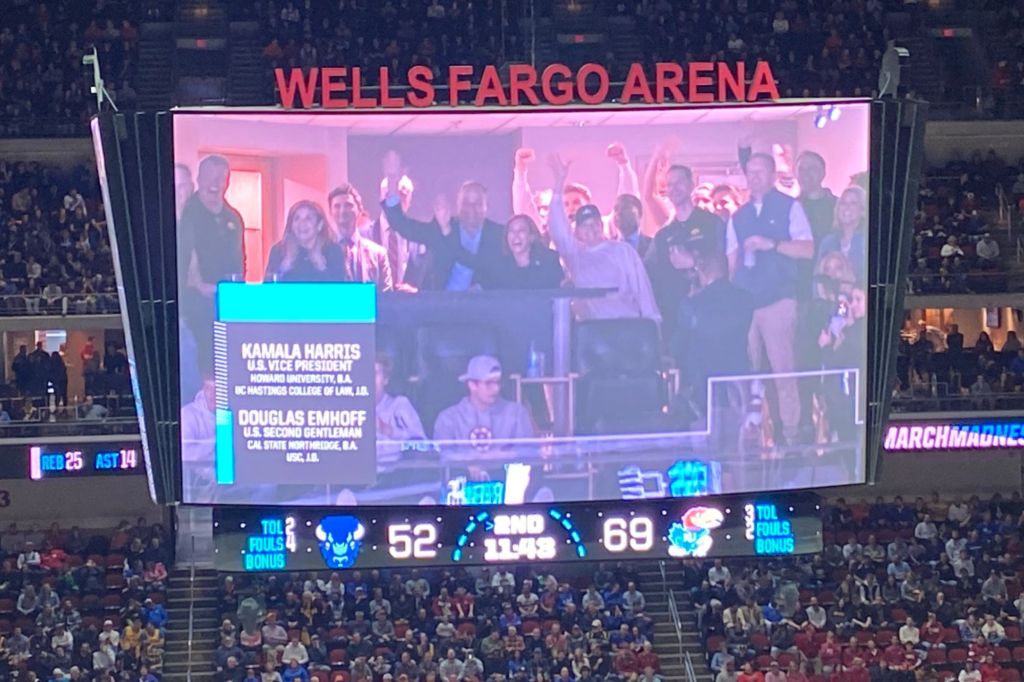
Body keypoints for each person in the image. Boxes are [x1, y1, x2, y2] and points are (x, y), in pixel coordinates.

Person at [726, 153, 815, 445]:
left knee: (783, 372)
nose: (754, 178)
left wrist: (772, 244)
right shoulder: (737, 216)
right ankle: (748, 438)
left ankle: (791, 435)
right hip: (744, 305)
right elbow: (731, 263)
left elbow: (807, 250)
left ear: (772, 174)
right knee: (746, 373)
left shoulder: (790, 207)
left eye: (760, 172)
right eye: (749, 173)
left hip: (778, 300)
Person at [546, 154, 660, 322]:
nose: (590, 229)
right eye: (585, 225)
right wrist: (558, 185)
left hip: (626, 325)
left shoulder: (622, 251)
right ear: (577, 231)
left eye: (594, 224)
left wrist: (653, 321)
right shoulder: (575, 255)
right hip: (592, 331)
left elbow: (642, 288)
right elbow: (557, 229)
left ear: (602, 225)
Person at [382, 151, 505, 291]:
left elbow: (488, 269)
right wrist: (392, 184)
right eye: (466, 203)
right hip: (443, 308)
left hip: (484, 308)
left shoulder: (498, 236)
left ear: (487, 207)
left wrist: (447, 233)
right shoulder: (442, 226)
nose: (471, 208)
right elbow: (402, 225)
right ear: (458, 205)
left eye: (477, 203)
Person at [668, 229, 754, 413]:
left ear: (703, 273)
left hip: (703, 386)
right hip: (737, 383)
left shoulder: (692, 304)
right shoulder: (745, 299)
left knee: (707, 435)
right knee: (735, 434)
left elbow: (678, 346)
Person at [179, 155, 246, 375]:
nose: (214, 184)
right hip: (194, 315)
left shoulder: (234, 218)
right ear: (198, 179)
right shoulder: (186, 214)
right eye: (209, 177)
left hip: (227, 309)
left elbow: (241, 262)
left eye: (220, 178)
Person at [644, 162, 725, 334]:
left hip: (710, 313)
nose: (674, 188)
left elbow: (725, 264)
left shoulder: (712, 223)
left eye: (679, 182)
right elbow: (650, 275)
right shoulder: (663, 235)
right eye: (669, 185)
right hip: (674, 317)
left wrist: (694, 262)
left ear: (691, 185)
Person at [432, 355, 535, 443]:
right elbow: (443, 458)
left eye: (498, 382)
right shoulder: (448, 419)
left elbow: (527, 455)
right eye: (489, 383)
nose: (496, 389)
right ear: (472, 385)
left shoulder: (517, 414)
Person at [327, 184, 394, 290]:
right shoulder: (321, 253)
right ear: (330, 212)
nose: (343, 211)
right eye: (337, 206)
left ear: (359, 210)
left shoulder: (378, 254)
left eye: (348, 205)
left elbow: (387, 298)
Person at [264, 200, 347, 282]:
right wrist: (284, 266)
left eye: (308, 218)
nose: (302, 223)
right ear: (291, 225)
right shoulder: (278, 250)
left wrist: (321, 266)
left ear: (319, 225)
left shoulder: (333, 251)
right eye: (297, 218)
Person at [483, 214, 564, 289]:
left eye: (521, 230)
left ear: (531, 237)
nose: (516, 235)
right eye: (511, 231)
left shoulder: (549, 261)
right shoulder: (498, 267)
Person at [375, 352, 426, 467]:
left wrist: (389, 431)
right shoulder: (345, 411)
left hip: (397, 476)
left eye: (374, 374)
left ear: (385, 379)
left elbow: (422, 446)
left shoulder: (399, 405)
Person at [817, 186, 867, 279]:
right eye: (843, 203)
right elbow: (818, 278)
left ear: (862, 210)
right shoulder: (827, 243)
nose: (847, 207)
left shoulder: (868, 241)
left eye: (853, 203)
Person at [796, 151, 837, 244]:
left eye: (811, 168)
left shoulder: (838, 206)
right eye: (801, 169)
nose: (805, 173)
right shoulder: (790, 207)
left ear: (823, 173)